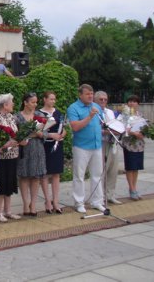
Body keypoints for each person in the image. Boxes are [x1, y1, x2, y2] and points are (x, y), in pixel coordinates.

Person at [67, 84, 106, 213]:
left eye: (91, 93)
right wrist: (89, 117)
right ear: (80, 95)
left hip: (97, 145)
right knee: (79, 175)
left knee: (97, 174)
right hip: (81, 146)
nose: (90, 96)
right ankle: (79, 202)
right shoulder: (73, 108)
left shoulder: (96, 107)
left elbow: (102, 124)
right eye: (87, 94)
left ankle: (97, 201)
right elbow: (75, 127)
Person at [0, 93, 22, 222]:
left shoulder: (11, 117)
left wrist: (21, 139)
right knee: (2, 183)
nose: (13, 104)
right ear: (5, 105)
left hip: (13, 154)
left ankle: (8, 211)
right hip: (1, 156)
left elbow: (16, 133)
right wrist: (4, 144)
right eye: (11, 102)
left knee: (10, 183)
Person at [15, 92, 46, 216]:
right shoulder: (17, 117)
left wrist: (40, 134)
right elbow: (16, 135)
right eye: (32, 102)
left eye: (36, 102)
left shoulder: (40, 115)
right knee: (24, 176)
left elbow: (45, 132)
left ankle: (33, 204)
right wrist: (29, 135)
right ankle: (25, 203)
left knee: (36, 176)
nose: (35, 104)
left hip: (37, 148)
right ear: (25, 103)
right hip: (24, 149)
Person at [38, 91, 66, 213]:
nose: (53, 101)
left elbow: (63, 127)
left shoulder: (58, 113)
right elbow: (37, 131)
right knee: (45, 173)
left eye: (54, 99)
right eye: (50, 99)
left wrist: (62, 134)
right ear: (44, 99)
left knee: (56, 173)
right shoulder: (39, 113)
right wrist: (50, 134)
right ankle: (47, 200)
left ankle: (56, 200)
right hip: (45, 144)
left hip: (57, 145)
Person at [95, 91, 122, 205]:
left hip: (113, 143)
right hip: (102, 143)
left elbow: (117, 124)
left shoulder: (110, 112)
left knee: (113, 170)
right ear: (95, 101)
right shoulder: (94, 112)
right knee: (102, 171)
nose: (103, 101)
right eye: (101, 99)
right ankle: (100, 197)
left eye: (105, 99)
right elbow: (94, 129)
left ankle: (110, 195)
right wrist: (105, 131)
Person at [123, 95, 146, 200]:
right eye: (130, 101)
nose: (132, 103)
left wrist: (143, 133)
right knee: (130, 167)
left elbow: (144, 127)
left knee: (136, 167)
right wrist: (133, 133)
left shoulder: (140, 115)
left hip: (139, 144)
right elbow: (123, 128)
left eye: (134, 102)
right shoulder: (125, 115)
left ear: (138, 104)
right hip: (129, 144)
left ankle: (135, 188)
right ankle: (131, 189)